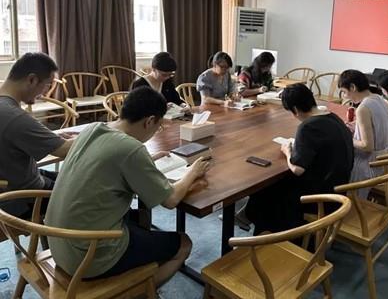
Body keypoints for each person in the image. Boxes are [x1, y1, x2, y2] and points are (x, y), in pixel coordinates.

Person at [45, 86, 210, 285]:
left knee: (141, 218)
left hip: (58, 241)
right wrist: (193, 172)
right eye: (158, 127)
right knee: (184, 243)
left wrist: (147, 160)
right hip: (87, 257)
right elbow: (171, 200)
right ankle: (141, 292)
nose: (156, 131)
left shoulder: (93, 129)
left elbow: (107, 161)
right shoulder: (130, 148)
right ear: (149, 121)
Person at [245, 83, 353, 234]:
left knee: (267, 189)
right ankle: (252, 219)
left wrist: (287, 151)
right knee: (271, 188)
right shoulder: (333, 117)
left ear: (295, 110)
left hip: (320, 198)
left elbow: (297, 169)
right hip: (339, 190)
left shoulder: (308, 127)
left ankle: (266, 233)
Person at [0, 52, 73, 217]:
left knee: (72, 178)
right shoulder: (13, 116)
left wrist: (49, 136)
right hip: (19, 198)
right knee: (88, 193)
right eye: (47, 85)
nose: (45, 93)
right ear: (32, 80)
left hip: (12, 181)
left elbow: (12, 136)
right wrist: (98, 133)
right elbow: (65, 150)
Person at [339, 69, 388, 199]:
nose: (345, 96)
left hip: (370, 165)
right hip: (386, 160)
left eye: (344, 92)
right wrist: (357, 127)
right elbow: (377, 126)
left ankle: (344, 204)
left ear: (353, 87)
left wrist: (347, 137)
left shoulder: (363, 108)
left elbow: (367, 146)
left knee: (334, 164)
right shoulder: (379, 99)